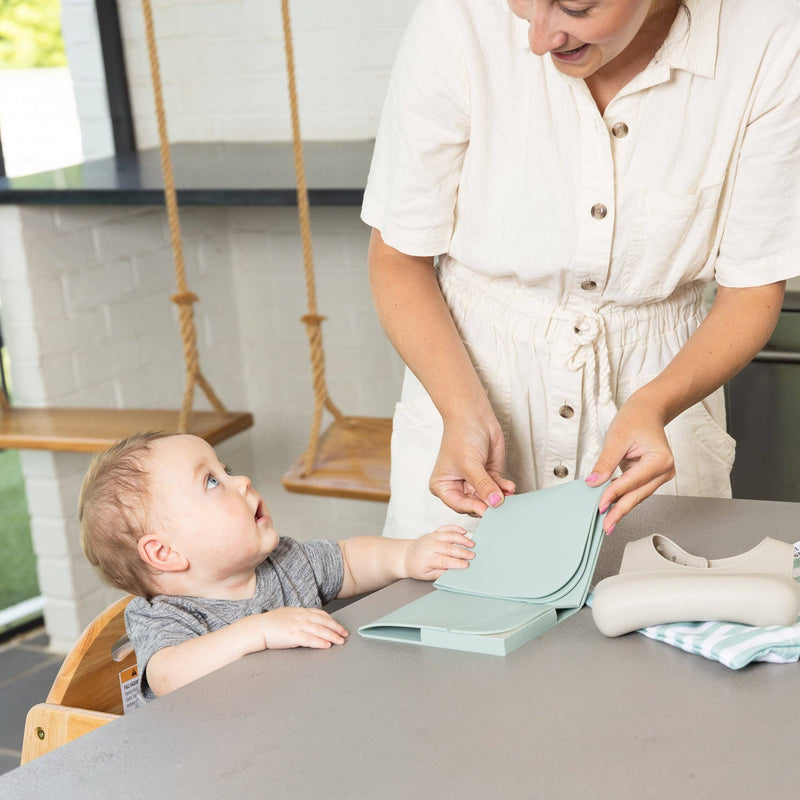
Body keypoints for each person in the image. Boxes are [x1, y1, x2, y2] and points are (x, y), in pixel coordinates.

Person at [362, 0, 799, 540]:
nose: (539, 41)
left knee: (652, 617)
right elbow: (399, 256)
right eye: (522, 6)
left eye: (576, 8)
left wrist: (656, 403)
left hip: (659, 398)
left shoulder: (770, 38)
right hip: (468, 380)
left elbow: (752, 288)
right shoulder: (458, 17)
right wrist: (461, 410)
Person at [78, 432, 475, 704]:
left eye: (227, 469)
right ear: (165, 553)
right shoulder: (164, 616)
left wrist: (406, 556)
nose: (243, 480)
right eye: (212, 482)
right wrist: (258, 631)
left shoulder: (283, 562)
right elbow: (166, 676)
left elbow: (349, 561)